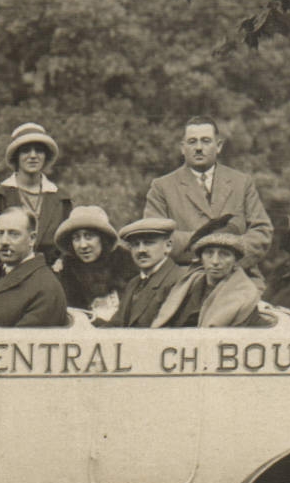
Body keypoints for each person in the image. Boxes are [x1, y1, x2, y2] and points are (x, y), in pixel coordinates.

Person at [143, 118, 273, 270]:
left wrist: (230, 255)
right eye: (192, 142)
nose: (199, 148)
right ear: (183, 148)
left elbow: (262, 231)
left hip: (238, 271)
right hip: (184, 273)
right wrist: (204, 241)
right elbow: (154, 237)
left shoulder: (242, 182)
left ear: (218, 146)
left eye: (206, 141)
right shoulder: (162, 187)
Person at [152, 216, 263, 328]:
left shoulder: (245, 297)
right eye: (209, 253)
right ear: (200, 258)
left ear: (235, 260)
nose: (215, 261)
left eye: (224, 254)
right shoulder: (185, 286)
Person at [0, 122, 72, 262]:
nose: (33, 156)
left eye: (39, 151)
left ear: (46, 156)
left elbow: (68, 244)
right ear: (16, 156)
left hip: (52, 271)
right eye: (26, 151)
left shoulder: (61, 200)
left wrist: (61, 261)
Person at [53, 205, 138, 321]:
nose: (83, 245)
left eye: (89, 236)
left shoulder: (127, 263)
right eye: (76, 238)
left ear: (102, 239)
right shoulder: (66, 270)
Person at [106, 217, 185, 328]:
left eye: (148, 243)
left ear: (168, 246)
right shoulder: (133, 283)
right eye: (135, 244)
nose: (141, 250)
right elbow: (116, 324)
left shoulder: (180, 280)